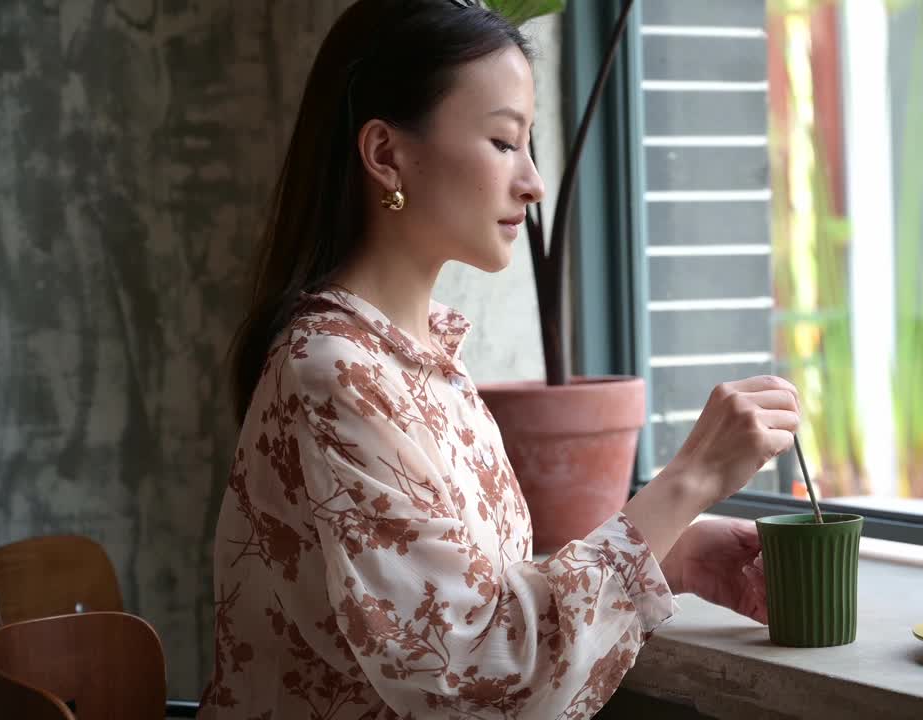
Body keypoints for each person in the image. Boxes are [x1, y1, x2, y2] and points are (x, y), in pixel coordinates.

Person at [198, 1, 800, 718]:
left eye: (530, 144)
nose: (534, 181)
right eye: (503, 142)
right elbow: (477, 680)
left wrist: (677, 553)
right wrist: (690, 478)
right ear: (386, 154)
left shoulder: (416, 361)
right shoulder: (334, 374)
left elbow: (470, 600)